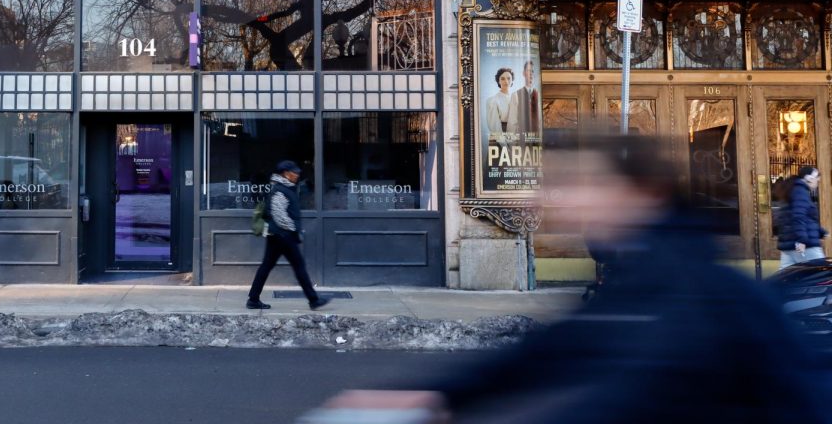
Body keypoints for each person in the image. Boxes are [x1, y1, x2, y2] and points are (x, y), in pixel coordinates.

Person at [306, 134, 831, 424]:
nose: (564, 199)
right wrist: (434, 395)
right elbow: (550, 352)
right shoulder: (641, 278)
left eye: (585, 185)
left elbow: (625, 399)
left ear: (642, 192)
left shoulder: (690, 293)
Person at [246, 160, 330, 311]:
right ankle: (313, 299)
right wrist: (293, 229)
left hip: (278, 235)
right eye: (294, 172)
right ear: (285, 173)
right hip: (283, 236)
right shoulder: (280, 190)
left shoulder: (285, 188)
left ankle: (253, 299)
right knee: (298, 266)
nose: (297, 175)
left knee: (267, 266)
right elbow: (279, 215)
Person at [778, 165, 826, 270]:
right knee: (820, 274)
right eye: (816, 177)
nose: (818, 180)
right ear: (808, 178)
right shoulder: (800, 192)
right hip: (804, 246)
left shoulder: (793, 190)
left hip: (789, 245)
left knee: (786, 279)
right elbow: (799, 216)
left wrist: (821, 231)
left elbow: (801, 216)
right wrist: (802, 240)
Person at [484, 67, 516, 145]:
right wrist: (504, 145)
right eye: (502, 79)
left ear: (512, 81)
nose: (506, 81)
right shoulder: (492, 100)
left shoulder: (516, 99)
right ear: (498, 81)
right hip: (499, 138)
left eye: (509, 78)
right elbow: (495, 126)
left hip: (514, 137)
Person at [510, 60, 540, 140]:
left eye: (533, 71)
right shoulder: (515, 95)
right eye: (529, 71)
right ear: (524, 73)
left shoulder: (538, 95)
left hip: (536, 141)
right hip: (521, 142)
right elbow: (512, 124)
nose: (531, 74)